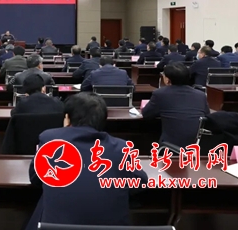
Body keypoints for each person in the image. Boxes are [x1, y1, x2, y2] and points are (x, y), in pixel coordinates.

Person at [26, 93, 148, 229]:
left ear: (67, 118)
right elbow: (140, 182)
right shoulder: (122, 148)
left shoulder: (50, 139)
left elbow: (35, 179)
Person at [142, 63, 210, 147]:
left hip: (172, 146)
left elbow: (146, 114)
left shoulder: (160, 94)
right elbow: (207, 116)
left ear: (167, 79)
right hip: (198, 145)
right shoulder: (200, 95)